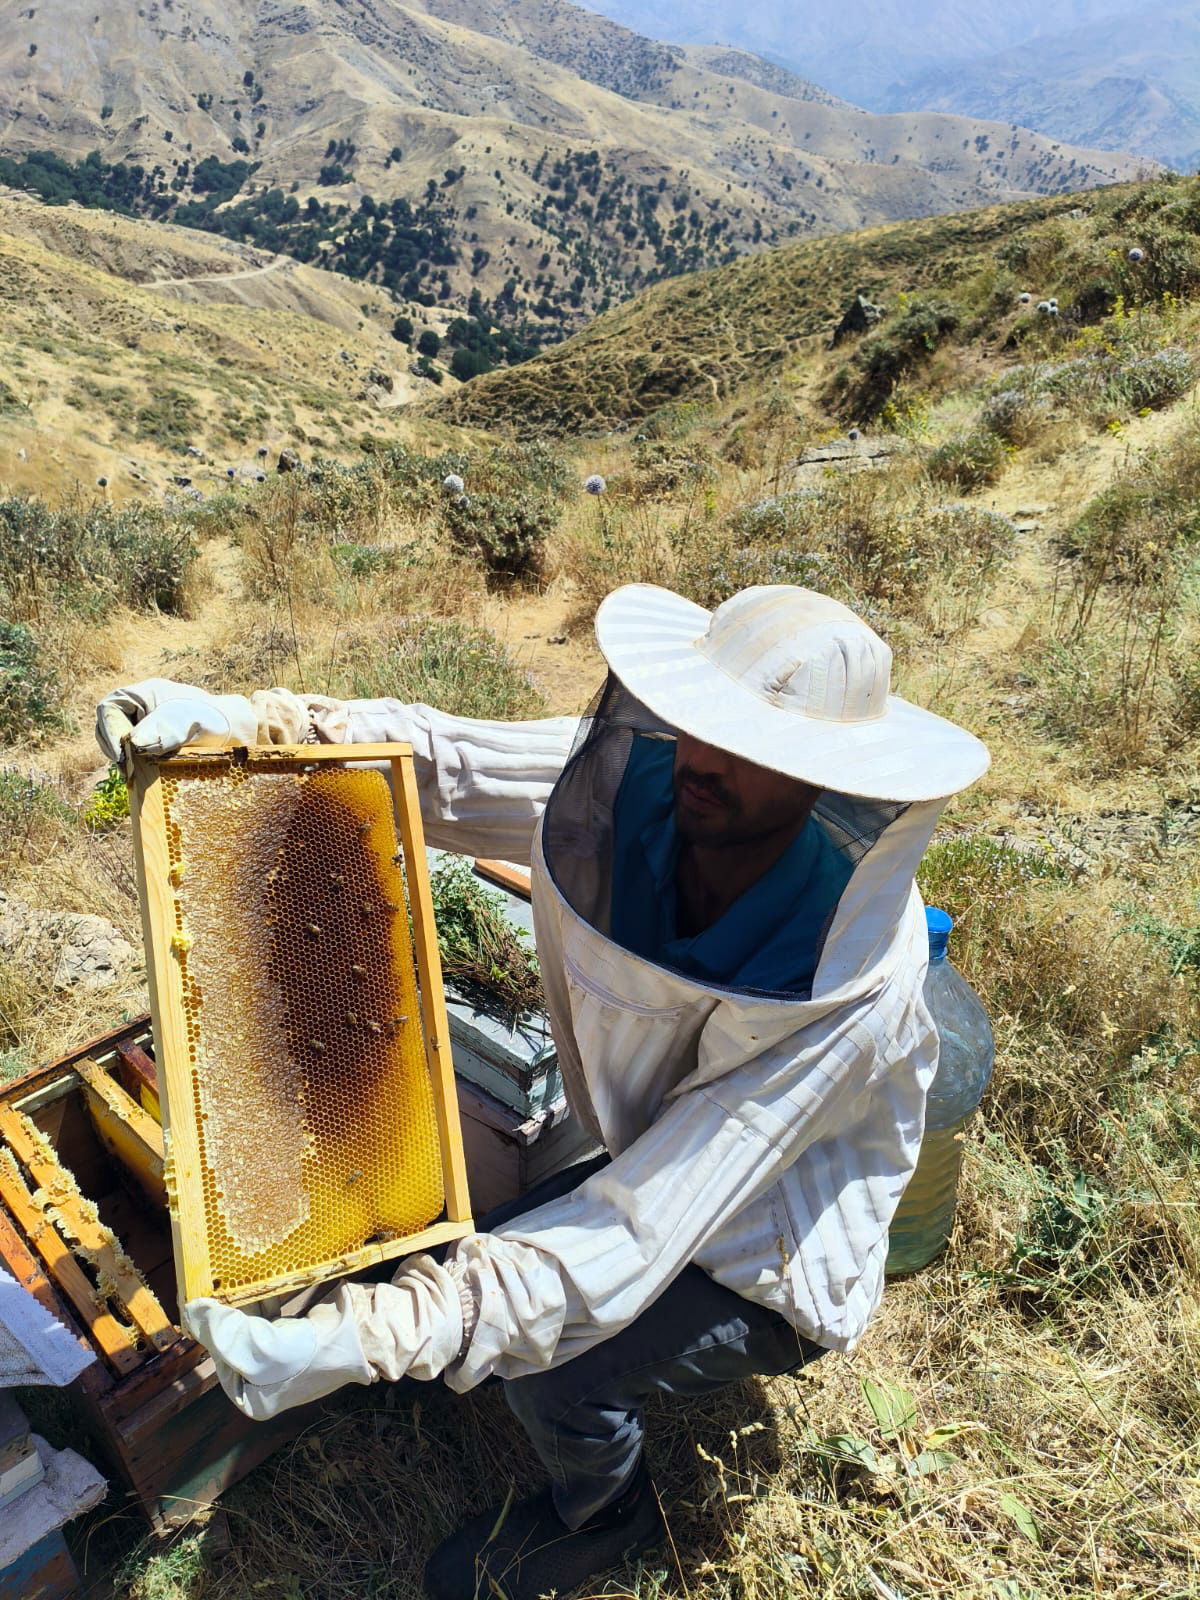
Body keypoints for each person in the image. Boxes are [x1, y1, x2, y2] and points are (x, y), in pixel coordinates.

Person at [96, 583, 989, 1600]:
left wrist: (377, 1335)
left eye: (754, 749)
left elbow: (640, 1229)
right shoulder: (651, 784)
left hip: (766, 1249)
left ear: (832, 782)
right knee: (476, 1267)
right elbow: (440, 763)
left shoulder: (852, 985)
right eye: (701, 722)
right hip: (655, 1154)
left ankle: (603, 1513)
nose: (705, 759)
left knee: (554, 1366)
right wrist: (256, 725)